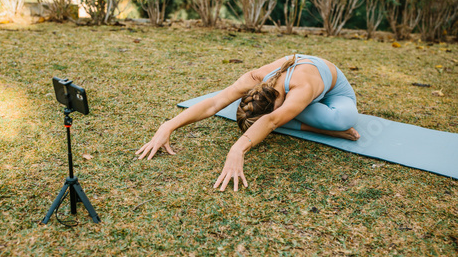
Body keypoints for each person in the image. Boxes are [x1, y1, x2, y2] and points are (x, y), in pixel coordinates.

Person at [136, 54, 360, 192]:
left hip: (335, 94)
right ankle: (307, 123)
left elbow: (271, 120)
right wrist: (168, 125)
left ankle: (329, 129)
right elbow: (214, 103)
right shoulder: (254, 79)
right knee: (268, 119)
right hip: (291, 100)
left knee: (339, 121)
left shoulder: (302, 87)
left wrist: (238, 149)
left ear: (276, 105)